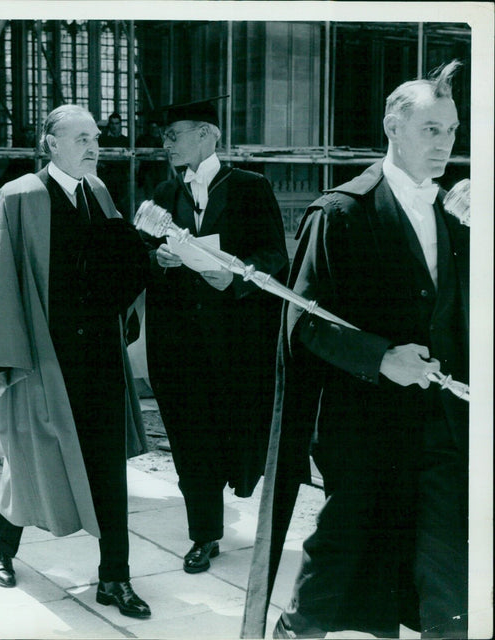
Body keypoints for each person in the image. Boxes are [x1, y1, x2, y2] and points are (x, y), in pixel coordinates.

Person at [242, 61, 469, 639]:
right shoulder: (342, 211)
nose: (445, 144)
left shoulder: (458, 214)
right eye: (431, 130)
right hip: (364, 427)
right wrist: (380, 357)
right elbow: (304, 323)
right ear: (393, 128)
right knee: (343, 556)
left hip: (441, 427)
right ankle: (295, 630)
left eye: (451, 130)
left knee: (447, 570)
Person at [0, 104, 151, 618]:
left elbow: (117, 267)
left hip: (98, 358)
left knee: (108, 470)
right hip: (44, 357)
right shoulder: (20, 196)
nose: (93, 147)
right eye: (79, 138)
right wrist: (3, 361)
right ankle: (2, 546)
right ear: (50, 144)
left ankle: (115, 577)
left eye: (96, 138)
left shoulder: (98, 192)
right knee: (32, 465)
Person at [142, 99, 288, 574]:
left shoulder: (250, 187)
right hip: (181, 345)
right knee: (190, 441)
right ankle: (204, 534)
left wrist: (239, 279)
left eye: (175, 134)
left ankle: (246, 508)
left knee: (236, 435)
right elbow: (142, 254)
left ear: (207, 135)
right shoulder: (162, 191)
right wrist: (159, 262)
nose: (167, 143)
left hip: (237, 344)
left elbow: (273, 254)